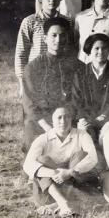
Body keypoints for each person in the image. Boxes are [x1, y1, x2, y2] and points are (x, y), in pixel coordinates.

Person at [23, 104, 98, 217]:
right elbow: (28, 164)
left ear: (71, 119)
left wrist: (69, 172)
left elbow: (93, 157)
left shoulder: (81, 134)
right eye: (59, 117)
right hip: (49, 188)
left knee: (82, 155)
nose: (63, 121)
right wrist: (53, 172)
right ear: (52, 121)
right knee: (41, 160)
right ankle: (63, 203)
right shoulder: (43, 138)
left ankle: (58, 206)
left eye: (66, 117)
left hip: (72, 183)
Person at [22, 18, 80, 149]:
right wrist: (48, 127)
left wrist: (69, 122)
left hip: (69, 119)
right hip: (43, 120)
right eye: (54, 35)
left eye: (62, 35)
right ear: (45, 38)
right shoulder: (32, 67)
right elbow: (30, 104)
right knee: (31, 130)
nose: (58, 40)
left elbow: (81, 98)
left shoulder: (77, 65)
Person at [16, 0, 71, 92]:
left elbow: (70, 50)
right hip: (36, 75)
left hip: (60, 77)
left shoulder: (67, 21)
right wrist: (22, 83)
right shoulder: (30, 21)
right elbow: (21, 53)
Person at [72, 33, 109, 144]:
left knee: (107, 136)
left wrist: (105, 115)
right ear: (89, 51)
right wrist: (82, 118)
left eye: (104, 48)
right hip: (87, 117)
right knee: (84, 135)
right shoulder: (80, 73)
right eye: (96, 48)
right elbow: (76, 99)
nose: (100, 52)